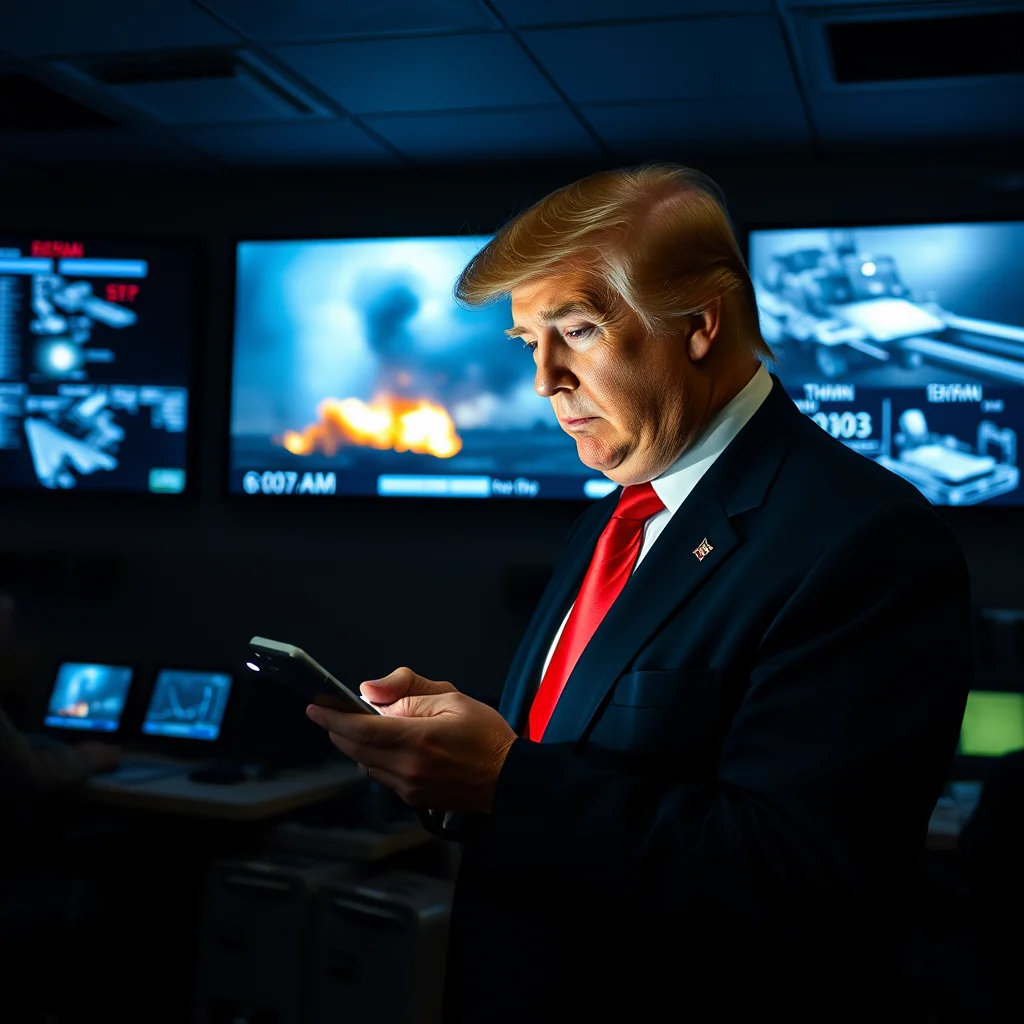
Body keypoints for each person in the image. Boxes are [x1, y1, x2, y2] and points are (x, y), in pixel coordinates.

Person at [304, 164, 973, 1021]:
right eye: (526, 344)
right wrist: (460, 770)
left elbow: (802, 877)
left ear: (699, 324)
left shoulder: (868, 541)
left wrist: (507, 779)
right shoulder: (620, 511)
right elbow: (581, 776)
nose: (543, 379)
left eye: (576, 331)